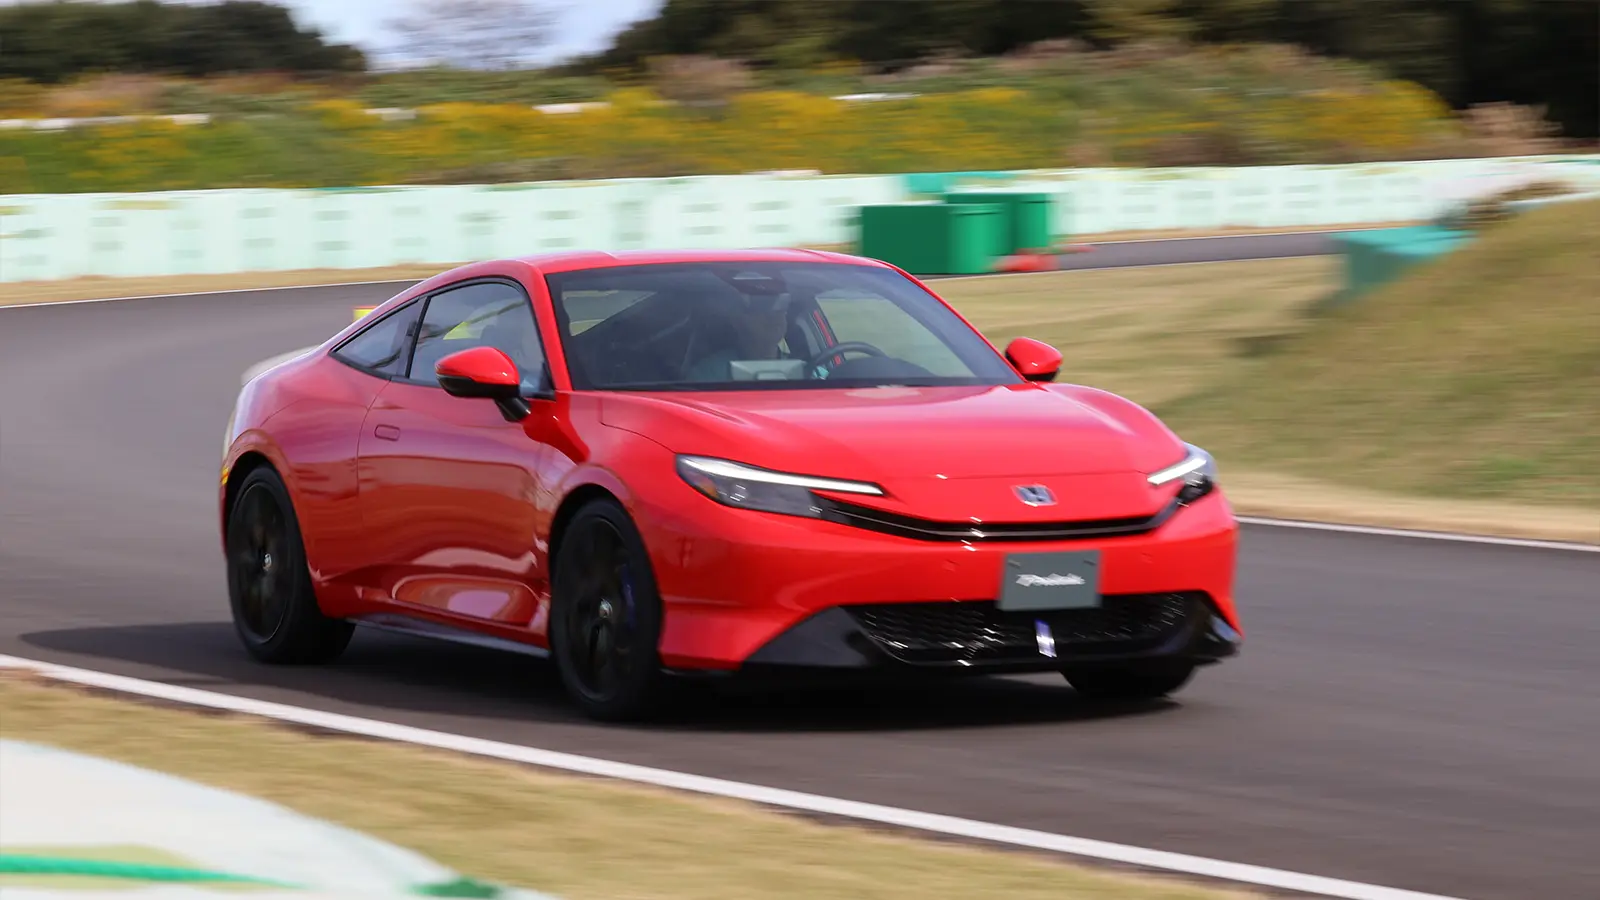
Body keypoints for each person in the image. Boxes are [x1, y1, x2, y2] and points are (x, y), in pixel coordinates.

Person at [684, 290, 792, 382]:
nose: (773, 317)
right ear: (736, 321)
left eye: (780, 310)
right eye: (760, 309)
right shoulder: (709, 373)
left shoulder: (806, 370)